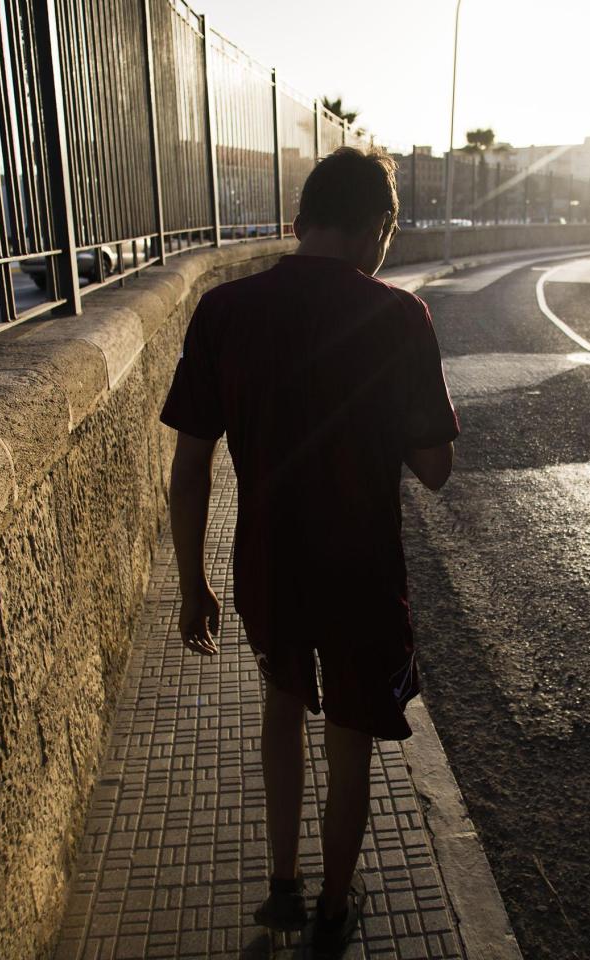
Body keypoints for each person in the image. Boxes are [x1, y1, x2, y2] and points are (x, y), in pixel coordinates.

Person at [159, 146, 458, 955]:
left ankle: (282, 884)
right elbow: (435, 469)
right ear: (380, 229)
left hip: (267, 564)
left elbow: (189, 468)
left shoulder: (224, 312)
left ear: (299, 223)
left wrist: (192, 585)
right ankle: (333, 906)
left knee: (281, 706)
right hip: (361, 574)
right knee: (352, 735)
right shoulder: (399, 318)